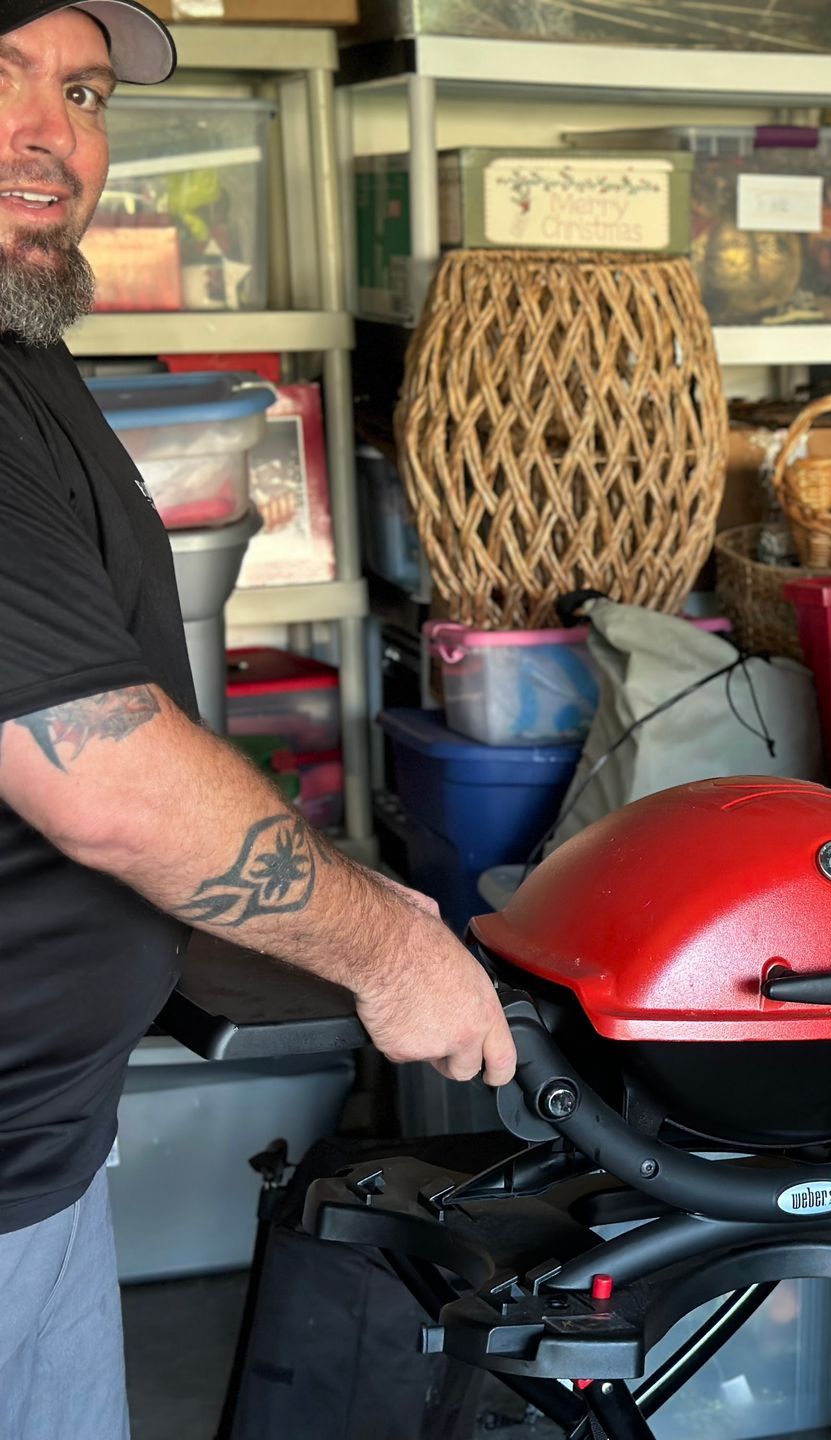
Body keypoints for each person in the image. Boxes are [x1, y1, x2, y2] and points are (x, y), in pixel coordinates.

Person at [0, 3, 516, 1434]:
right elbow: (100, 779)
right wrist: (384, 946)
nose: (56, 136)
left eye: (87, 92)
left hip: (35, 1150)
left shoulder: (23, 349)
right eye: (4, 80)